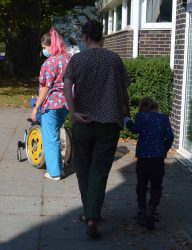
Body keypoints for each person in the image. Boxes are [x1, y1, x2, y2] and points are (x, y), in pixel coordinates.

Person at [63, 20, 130, 239]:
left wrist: (73, 112)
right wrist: (126, 112)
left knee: (83, 168)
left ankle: (89, 213)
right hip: (109, 124)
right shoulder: (114, 59)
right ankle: (93, 215)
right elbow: (123, 90)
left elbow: (66, 86)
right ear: (102, 36)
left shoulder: (78, 59)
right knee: (100, 171)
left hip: (83, 122)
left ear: (84, 37)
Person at [124, 97, 174, 230]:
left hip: (143, 159)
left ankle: (142, 210)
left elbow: (134, 129)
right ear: (156, 107)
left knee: (141, 185)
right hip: (157, 159)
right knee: (156, 186)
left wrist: (126, 120)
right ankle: (151, 208)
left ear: (142, 107)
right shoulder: (163, 118)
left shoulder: (141, 116)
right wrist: (164, 149)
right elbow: (170, 137)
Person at [31, 27, 71, 181]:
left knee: (50, 138)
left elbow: (45, 87)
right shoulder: (68, 58)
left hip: (52, 104)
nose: (44, 51)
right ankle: (59, 168)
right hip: (66, 103)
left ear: (51, 45)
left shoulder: (50, 62)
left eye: (45, 47)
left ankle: (54, 172)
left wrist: (36, 107)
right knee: (57, 134)